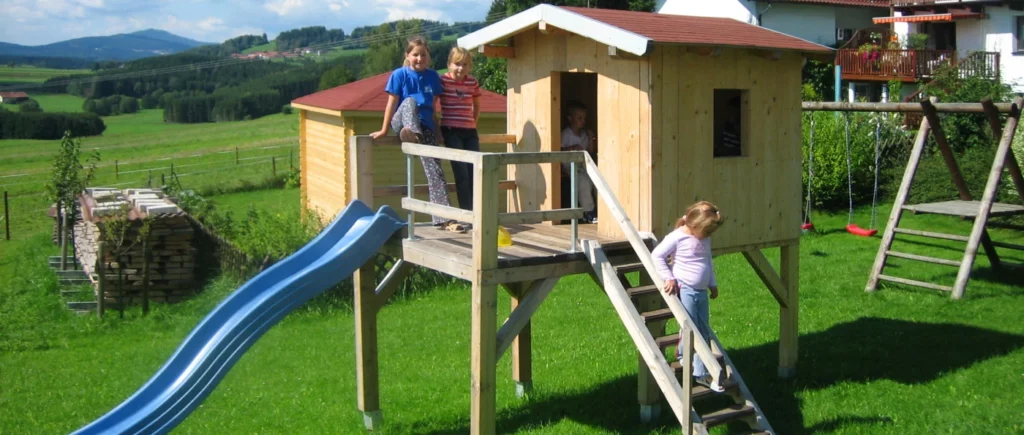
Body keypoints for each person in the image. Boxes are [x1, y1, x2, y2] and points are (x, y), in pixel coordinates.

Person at [371, 36, 465, 233]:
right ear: (407, 56)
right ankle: (412, 135)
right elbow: (391, 103)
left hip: (426, 127)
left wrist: (438, 133)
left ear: (428, 56)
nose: (419, 58)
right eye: (415, 55)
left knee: (436, 171)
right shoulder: (399, 75)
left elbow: (432, 109)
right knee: (410, 102)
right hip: (403, 122)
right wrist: (384, 129)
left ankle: (446, 220)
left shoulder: (433, 77)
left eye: (423, 55)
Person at [651, 201, 725, 392]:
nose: (708, 237)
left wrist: (712, 283)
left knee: (701, 327)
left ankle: (683, 352)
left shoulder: (703, 237)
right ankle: (701, 374)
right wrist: (669, 278)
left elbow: (707, 260)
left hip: (701, 291)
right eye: (707, 232)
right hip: (685, 289)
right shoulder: (678, 237)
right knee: (697, 331)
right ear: (695, 226)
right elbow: (657, 255)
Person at [439, 47, 482, 213]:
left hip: (470, 131)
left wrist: (473, 122)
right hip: (451, 130)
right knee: (462, 173)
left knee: (475, 172)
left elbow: (477, 104)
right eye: (457, 64)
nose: (461, 68)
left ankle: (477, 212)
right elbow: (433, 101)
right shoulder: (443, 81)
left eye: (465, 64)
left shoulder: (472, 82)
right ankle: (467, 213)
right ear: (449, 64)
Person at [560, 101, 598, 223]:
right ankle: (588, 212)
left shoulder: (584, 134)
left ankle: (600, 210)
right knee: (584, 182)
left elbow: (590, 151)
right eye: (579, 118)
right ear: (570, 118)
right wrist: (572, 148)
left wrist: (591, 138)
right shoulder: (565, 134)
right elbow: (558, 150)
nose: (583, 121)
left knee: (596, 180)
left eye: (584, 118)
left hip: (584, 164)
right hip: (570, 165)